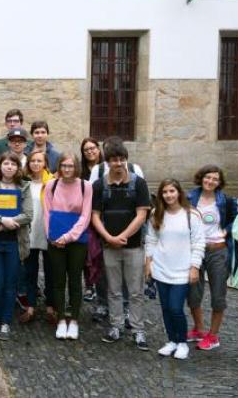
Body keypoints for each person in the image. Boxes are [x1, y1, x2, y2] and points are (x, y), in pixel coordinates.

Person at [91, 141, 151, 350]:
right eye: (114, 160)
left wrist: (122, 236)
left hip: (133, 246)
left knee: (135, 291)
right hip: (109, 246)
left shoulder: (139, 183)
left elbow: (142, 214)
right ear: (107, 163)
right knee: (113, 289)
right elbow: (95, 215)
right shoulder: (100, 186)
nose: (119, 163)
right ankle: (115, 325)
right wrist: (108, 237)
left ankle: (138, 329)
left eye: (122, 159)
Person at [145, 179, 205, 360]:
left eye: (172, 191)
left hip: (182, 270)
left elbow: (199, 242)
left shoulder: (191, 215)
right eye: (165, 192)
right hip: (161, 267)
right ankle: (171, 340)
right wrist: (148, 262)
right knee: (165, 308)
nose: (169, 195)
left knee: (175, 307)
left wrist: (195, 267)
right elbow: (151, 239)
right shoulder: (157, 213)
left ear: (179, 192)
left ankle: (182, 342)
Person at [0, 152, 33, 341]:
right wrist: (1, 218)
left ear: (18, 168)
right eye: (6, 163)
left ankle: (6, 322)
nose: (9, 167)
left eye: (13, 164)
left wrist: (3, 225)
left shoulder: (24, 186)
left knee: (10, 285)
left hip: (14, 243)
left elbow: (28, 215)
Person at [186, 165, 238, 351]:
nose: (211, 181)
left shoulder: (225, 200)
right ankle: (199, 328)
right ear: (201, 178)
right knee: (193, 292)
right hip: (195, 250)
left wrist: (226, 231)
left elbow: (236, 219)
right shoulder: (189, 198)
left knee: (218, 294)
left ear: (219, 182)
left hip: (218, 250)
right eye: (208, 177)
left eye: (215, 179)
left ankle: (213, 336)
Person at [43, 153, 93, 340]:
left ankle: (74, 320)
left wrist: (68, 237)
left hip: (76, 241)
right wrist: (52, 236)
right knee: (57, 281)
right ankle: (61, 319)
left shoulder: (85, 186)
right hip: (55, 241)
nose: (67, 169)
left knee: (74, 280)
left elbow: (85, 216)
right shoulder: (52, 185)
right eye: (63, 165)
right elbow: (47, 212)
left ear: (76, 167)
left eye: (70, 166)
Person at [18, 149, 55, 324]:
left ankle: (50, 308)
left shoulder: (53, 183)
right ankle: (30, 307)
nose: (36, 164)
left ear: (45, 163)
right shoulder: (23, 183)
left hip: (48, 232)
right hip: (29, 233)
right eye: (32, 161)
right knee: (29, 272)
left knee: (50, 272)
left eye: (39, 161)